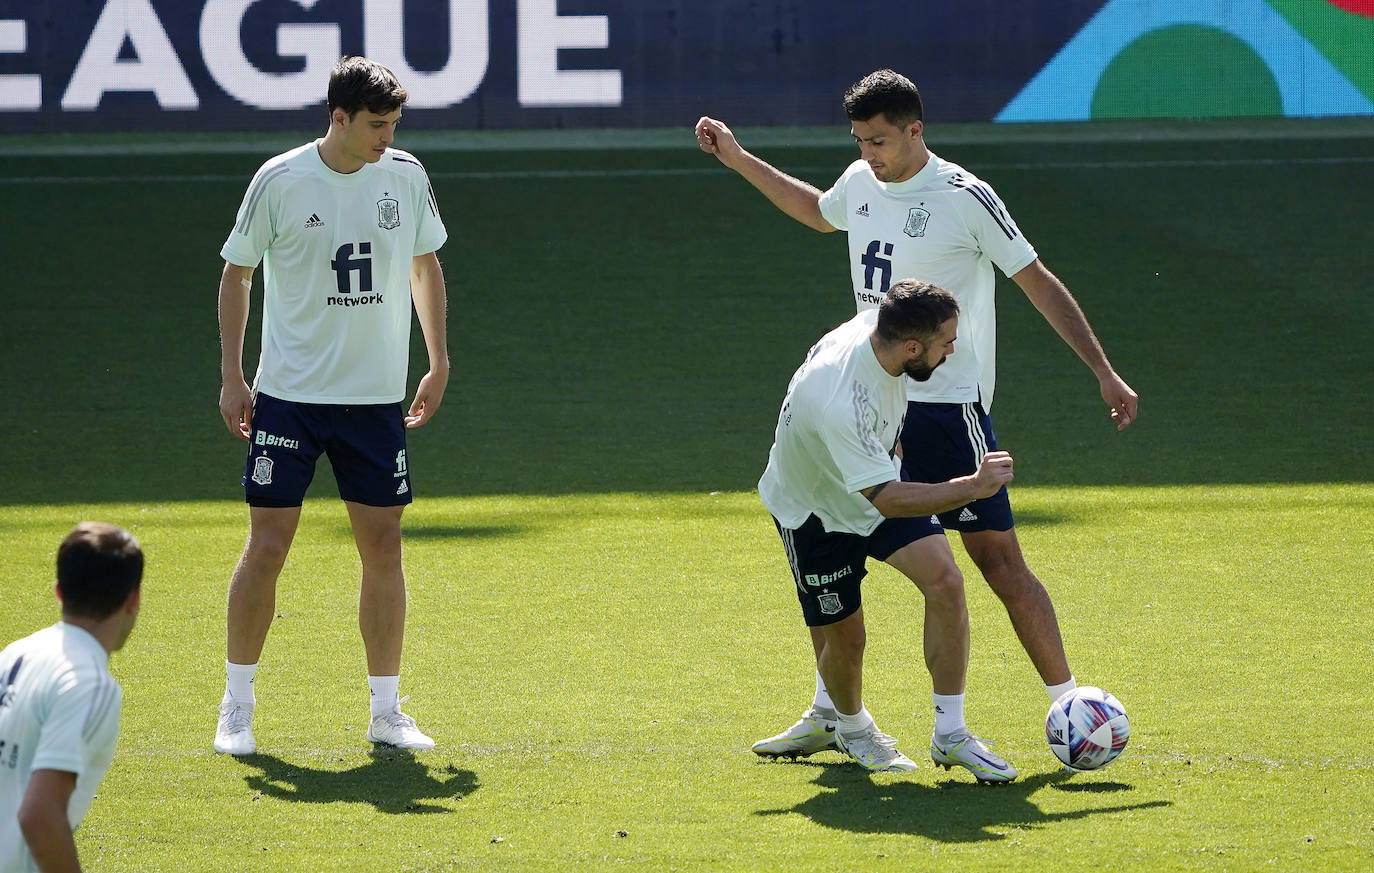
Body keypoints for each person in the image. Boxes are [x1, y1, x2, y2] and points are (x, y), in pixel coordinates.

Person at [696, 69, 1139, 754]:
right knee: (838, 553)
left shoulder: (965, 197)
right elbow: (820, 211)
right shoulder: (862, 181)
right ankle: (832, 713)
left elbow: (1036, 281)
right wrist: (738, 157)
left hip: (947, 409)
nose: (870, 153)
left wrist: (1104, 371)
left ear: (915, 130)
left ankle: (1071, 705)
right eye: (860, 140)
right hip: (874, 404)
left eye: (879, 140)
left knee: (997, 560)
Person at [215, 56, 449, 755]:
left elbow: (424, 264)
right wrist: (232, 375)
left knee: (384, 547)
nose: (388, 137)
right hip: (289, 400)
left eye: (394, 124)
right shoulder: (280, 180)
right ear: (338, 117)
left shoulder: (404, 176)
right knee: (268, 547)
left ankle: (386, 710)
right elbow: (238, 272)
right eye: (377, 125)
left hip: (375, 402)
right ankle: (237, 704)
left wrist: (438, 361)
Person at [756, 279, 1018, 779]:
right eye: (947, 342)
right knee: (846, 639)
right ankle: (850, 729)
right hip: (815, 509)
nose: (954, 349)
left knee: (945, 582)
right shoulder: (841, 399)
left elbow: (884, 472)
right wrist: (974, 485)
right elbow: (889, 500)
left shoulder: (880, 331)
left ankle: (951, 735)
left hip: (872, 479)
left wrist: (892, 449)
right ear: (913, 346)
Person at [1, 522, 143, 873]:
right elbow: (40, 815)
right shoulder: (89, 684)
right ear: (133, 600)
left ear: (59, 592)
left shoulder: (15, 654)